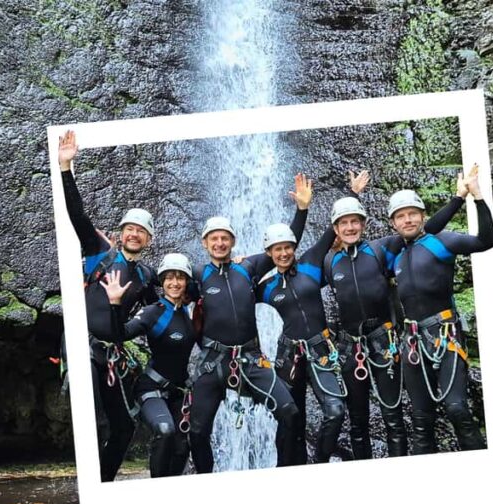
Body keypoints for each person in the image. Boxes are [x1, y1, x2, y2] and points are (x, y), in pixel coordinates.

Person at [325, 171, 471, 459]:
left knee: (394, 418)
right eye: (344, 223)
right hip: (350, 346)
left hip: (386, 342)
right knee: (357, 422)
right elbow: (294, 266)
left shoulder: (384, 248)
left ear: (366, 224)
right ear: (335, 228)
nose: (350, 227)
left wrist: (461, 197)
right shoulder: (330, 261)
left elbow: (423, 230)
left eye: (356, 221)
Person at [187, 175, 312, 472]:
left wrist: (302, 210)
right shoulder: (196, 274)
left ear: (233, 241)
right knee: (196, 431)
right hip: (213, 362)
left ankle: (283, 473)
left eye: (224, 238)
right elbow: (167, 286)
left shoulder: (249, 267)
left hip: (251, 359)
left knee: (290, 412)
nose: (219, 242)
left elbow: (285, 245)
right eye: (213, 238)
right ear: (205, 243)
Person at [58, 130, 158, 482]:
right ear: (120, 233)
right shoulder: (100, 252)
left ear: (147, 240)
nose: (134, 234)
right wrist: (66, 166)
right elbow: (77, 215)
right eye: (129, 229)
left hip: (110, 354)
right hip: (83, 345)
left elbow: (166, 306)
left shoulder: (147, 275)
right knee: (89, 415)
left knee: (124, 427)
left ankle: (102, 484)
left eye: (141, 232)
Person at [388, 164, 493, 454]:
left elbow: (487, 241)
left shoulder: (442, 243)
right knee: (421, 418)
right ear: (393, 223)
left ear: (422, 216)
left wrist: (475, 197)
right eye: (401, 216)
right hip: (412, 340)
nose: (407, 220)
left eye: (412, 214)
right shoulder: (394, 255)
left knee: (457, 407)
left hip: (444, 333)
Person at [257, 175, 347, 464]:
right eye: (277, 249)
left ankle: (318, 462)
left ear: (294, 248)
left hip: (321, 349)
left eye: (287, 247)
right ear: (269, 254)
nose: (283, 253)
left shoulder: (310, 263)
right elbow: (233, 297)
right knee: (289, 417)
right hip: (288, 355)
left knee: (335, 411)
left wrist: (304, 208)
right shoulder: (267, 287)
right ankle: (287, 468)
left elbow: (332, 232)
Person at [101, 253, 195, 478]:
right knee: (165, 431)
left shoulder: (190, 311)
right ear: (162, 282)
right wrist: (114, 304)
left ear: (186, 282)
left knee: (184, 444)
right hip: (151, 388)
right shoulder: (154, 311)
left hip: (180, 391)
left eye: (180, 278)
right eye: (169, 278)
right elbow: (120, 334)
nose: (174, 283)